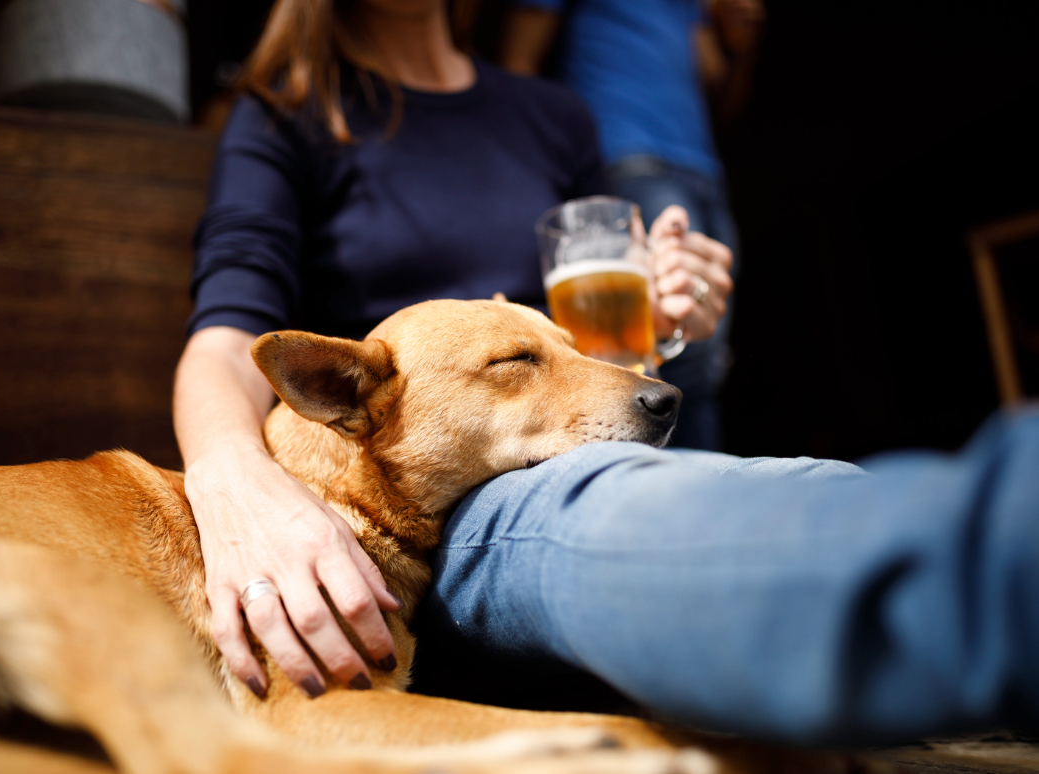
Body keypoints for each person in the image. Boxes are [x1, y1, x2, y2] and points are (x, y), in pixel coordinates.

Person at [175, 0, 732, 702]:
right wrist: (233, 484)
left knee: (712, 494)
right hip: (424, 487)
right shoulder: (286, 113)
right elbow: (229, 340)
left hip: (566, 442)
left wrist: (662, 317)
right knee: (681, 518)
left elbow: (588, 346)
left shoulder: (552, 113)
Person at [410, 406, 1039, 745]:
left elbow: (671, 397)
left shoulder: (608, 185)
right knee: (621, 513)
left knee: (801, 483)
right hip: (451, 493)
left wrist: (689, 336)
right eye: (518, 359)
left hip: (603, 438)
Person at [501, 0, 767, 451]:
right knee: (671, 345)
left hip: (702, 167)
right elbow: (518, 63)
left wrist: (741, 43)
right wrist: (536, 176)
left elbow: (717, 89)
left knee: (706, 339)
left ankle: (695, 466)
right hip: (624, 155)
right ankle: (682, 469)